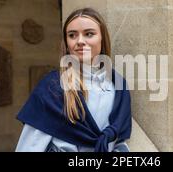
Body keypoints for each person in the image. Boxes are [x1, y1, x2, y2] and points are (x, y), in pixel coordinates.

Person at [15, 8, 132, 152]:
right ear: (66, 42)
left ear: (102, 38)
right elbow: (29, 147)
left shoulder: (119, 86)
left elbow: (120, 141)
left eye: (89, 34)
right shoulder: (52, 87)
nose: (80, 41)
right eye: (72, 35)